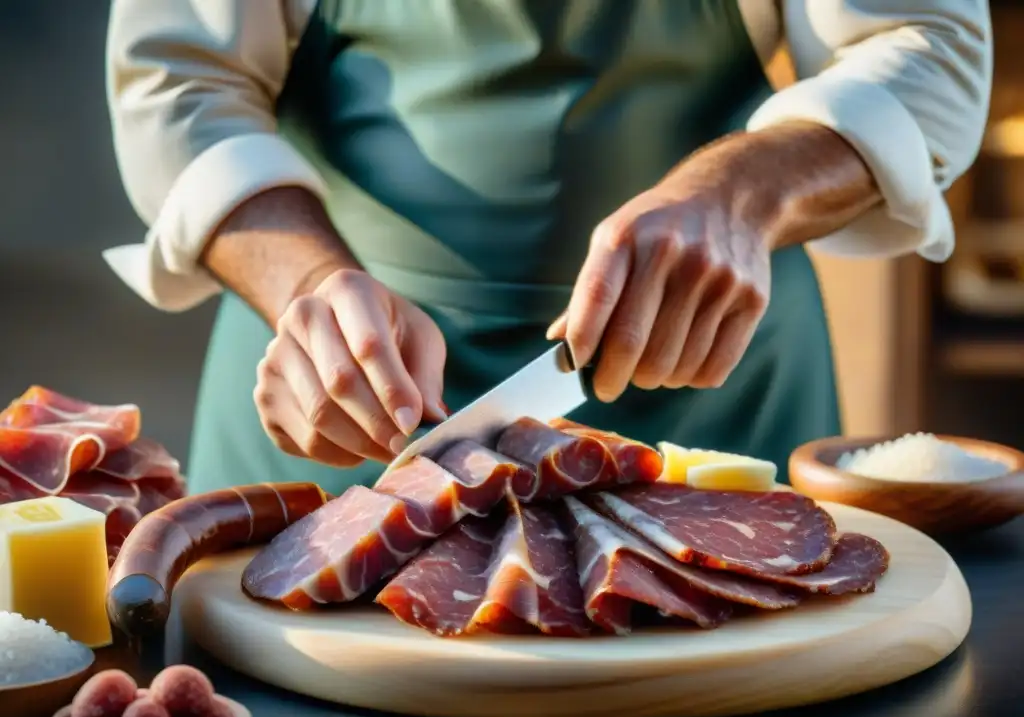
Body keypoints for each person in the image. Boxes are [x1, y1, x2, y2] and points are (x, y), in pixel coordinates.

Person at [104, 0, 992, 495]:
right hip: (341, 404)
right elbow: (177, 78)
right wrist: (309, 282)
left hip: (711, 406)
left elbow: (931, 45)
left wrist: (740, 193)